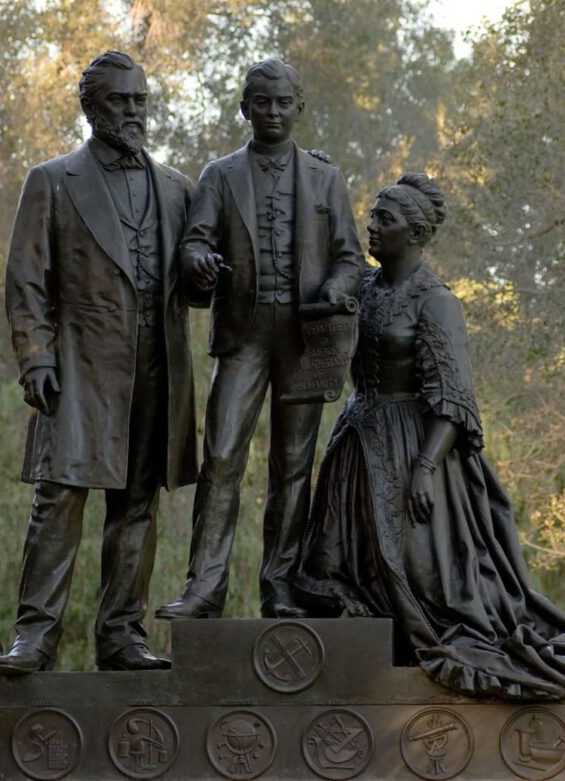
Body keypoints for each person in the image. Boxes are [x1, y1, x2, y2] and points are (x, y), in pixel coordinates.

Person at [294, 173, 565, 702]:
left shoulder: (437, 302)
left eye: (385, 219)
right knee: (339, 567)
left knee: (425, 580)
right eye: (372, 216)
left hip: (415, 448)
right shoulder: (364, 288)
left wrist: (425, 468)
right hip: (356, 443)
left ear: (416, 233)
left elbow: (453, 398)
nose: (372, 226)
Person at [0, 51, 199, 674]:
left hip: (158, 365)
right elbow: (26, 279)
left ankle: (121, 635)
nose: (134, 111)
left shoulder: (177, 188)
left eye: (141, 100)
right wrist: (36, 357)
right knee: (58, 499)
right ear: (91, 108)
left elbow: (197, 285)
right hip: (80, 366)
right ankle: (35, 635)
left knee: (137, 505)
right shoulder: (53, 180)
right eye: (120, 100)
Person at [156, 58, 364, 621]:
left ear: (300, 108)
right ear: (245, 107)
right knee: (222, 456)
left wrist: (336, 288)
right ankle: (204, 589)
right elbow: (194, 242)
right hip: (242, 335)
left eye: (283, 103)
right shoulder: (220, 174)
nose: (272, 112)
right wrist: (199, 262)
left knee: (293, 466)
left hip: (303, 338)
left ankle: (281, 587)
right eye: (262, 102)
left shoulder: (326, 179)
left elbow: (350, 257)